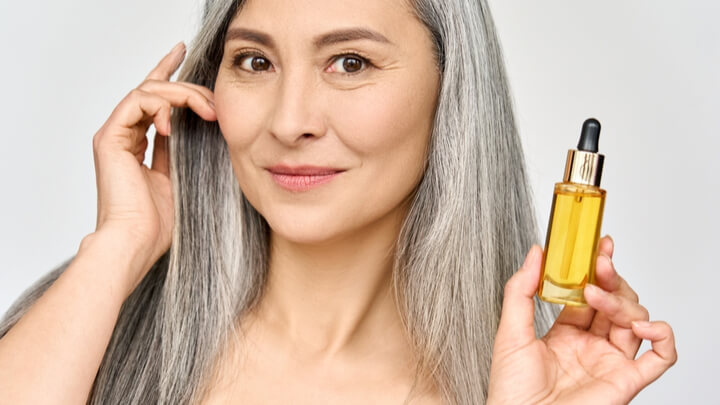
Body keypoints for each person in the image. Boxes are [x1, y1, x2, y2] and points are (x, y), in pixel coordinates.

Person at [0, 0, 677, 403]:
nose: (290, 120)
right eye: (255, 62)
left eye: (350, 62)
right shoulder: (95, 329)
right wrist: (117, 244)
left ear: (453, 94)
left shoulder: (521, 384)